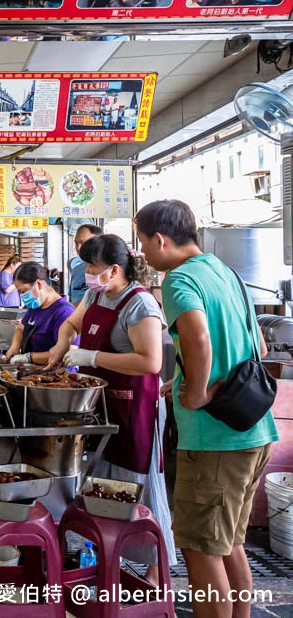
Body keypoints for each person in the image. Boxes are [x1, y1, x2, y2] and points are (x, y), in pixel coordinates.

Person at [135, 200, 278, 618]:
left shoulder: (178, 281)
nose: (143, 252)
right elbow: (260, 347)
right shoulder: (224, 271)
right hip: (253, 430)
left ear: (160, 239)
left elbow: (197, 338)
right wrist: (181, 381)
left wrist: (196, 392)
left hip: (215, 440)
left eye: (144, 243)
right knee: (230, 543)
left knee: (200, 550)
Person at [45, 235, 177, 584]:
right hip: (100, 406)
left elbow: (150, 361)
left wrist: (92, 357)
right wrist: (62, 345)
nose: (88, 274)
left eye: (93, 268)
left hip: (136, 409)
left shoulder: (141, 305)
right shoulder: (97, 293)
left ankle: (154, 570)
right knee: (103, 483)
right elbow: (71, 324)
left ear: (114, 269)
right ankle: (105, 558)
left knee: (142, 487)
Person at [4, 262, 75, 365]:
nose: (23, 297)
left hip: (55, 376)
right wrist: (15, 346)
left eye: (24, 291)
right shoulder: (35, 307)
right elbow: (21, 329)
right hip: (33, 372)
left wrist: (28, 358)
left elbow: (67, 353)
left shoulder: (64, 312)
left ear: (39, 284)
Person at [70, 224, 104, 305]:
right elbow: (72, 298)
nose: (78, 248)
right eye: (76, 243)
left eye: (83, 242)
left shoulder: (106, 270)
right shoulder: (76, 270)